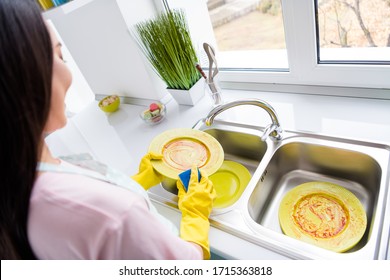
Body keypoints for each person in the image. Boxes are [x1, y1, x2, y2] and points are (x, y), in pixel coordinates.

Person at [0, 0, 216, 260]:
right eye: (58, 56)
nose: (67, 72)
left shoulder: (18, 177)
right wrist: (196, 213)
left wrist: (137, 181)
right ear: (23, 77)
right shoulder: (114, 215)